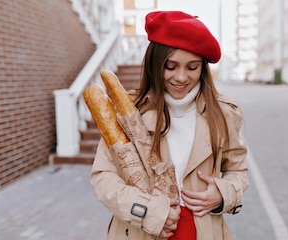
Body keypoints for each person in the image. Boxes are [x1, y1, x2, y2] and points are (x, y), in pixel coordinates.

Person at [90, 10, 249, 240]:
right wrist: (148, 212)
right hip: (141, 231)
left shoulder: (224, 114)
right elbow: (104, 177)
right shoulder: (130, 113)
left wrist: (223, 193)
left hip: (203, 231)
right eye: (170, 66)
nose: (182, 77)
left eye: (192, 67)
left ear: (203, 68)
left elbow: (238, 171)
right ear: (155, 64)